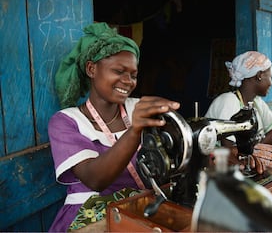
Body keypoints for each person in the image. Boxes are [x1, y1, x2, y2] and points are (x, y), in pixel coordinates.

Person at [48, 22, 180, 231]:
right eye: (119, 71)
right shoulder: (66, 121)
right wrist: (135, 130)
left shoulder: (138, 107)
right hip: (91, 217)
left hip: (141, 208)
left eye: (134, 75)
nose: (128, 81)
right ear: (91, 69)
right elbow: (95, 179)